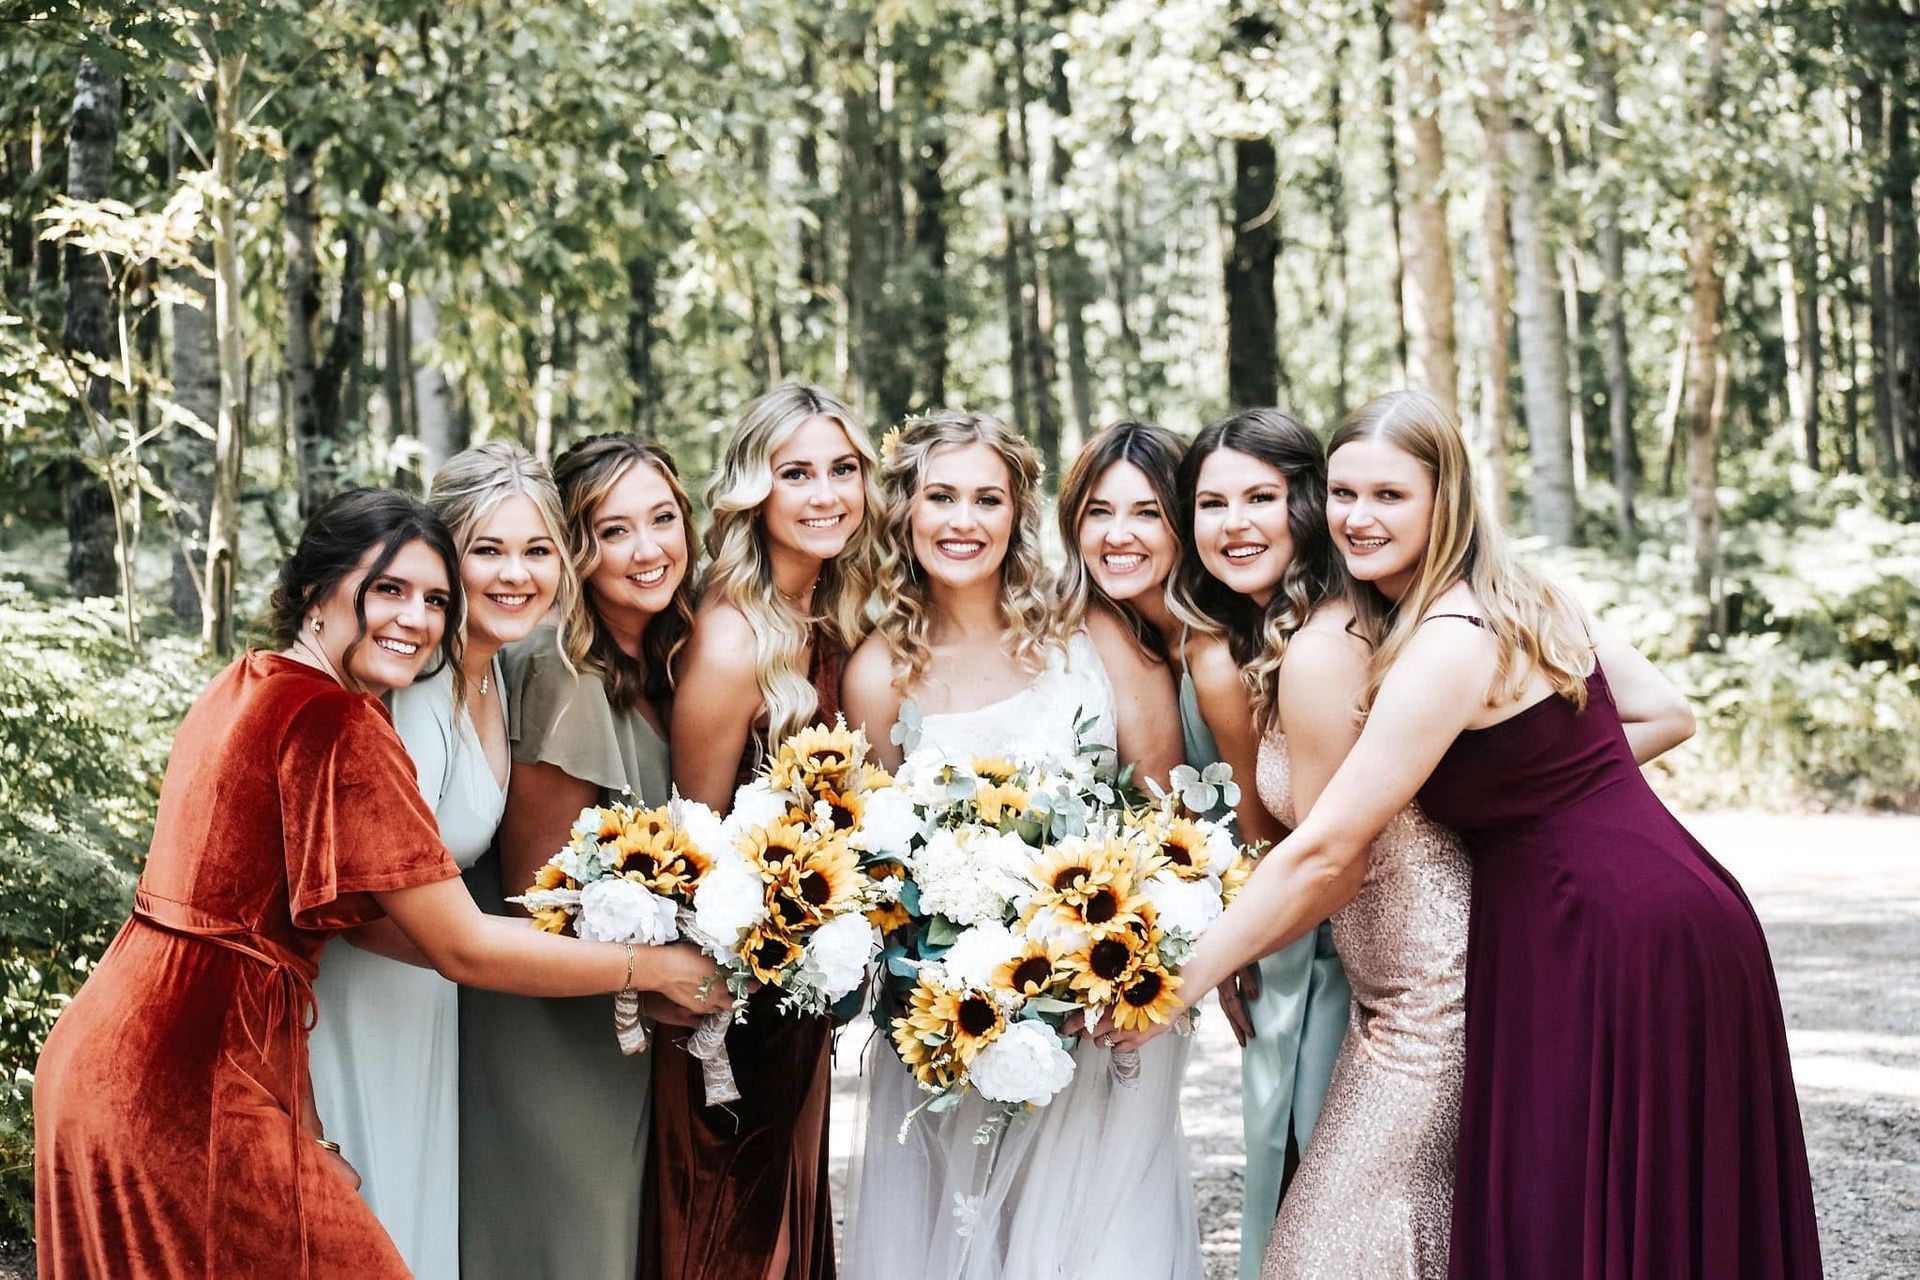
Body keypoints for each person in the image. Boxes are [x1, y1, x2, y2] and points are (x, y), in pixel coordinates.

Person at [1115, 390, 1823, 1278]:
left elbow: (1334, 850)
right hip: (1594, 915)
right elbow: (1656, 715)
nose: (1357, 518)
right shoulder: (1497, 592)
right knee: (1594, 1212)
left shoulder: (1444, 634)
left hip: (1608, 928)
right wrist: (1506, 799)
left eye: (1389, 496)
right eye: (1345, 494)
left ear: (1445, 499)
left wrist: (1177, 983)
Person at [33, 488, 726, 1279]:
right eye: (386, 589)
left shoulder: (247, 683)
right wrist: (654, 966)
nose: (415, 619)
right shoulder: (341, 725)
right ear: (312, 591)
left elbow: (342, 926)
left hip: (110, 1056)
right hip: (183, 1079)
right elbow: (458, 946)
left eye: (434, 599)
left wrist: (309, 1120)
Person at [839, 410, 1194, 1280]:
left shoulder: (1092, 638)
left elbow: (1168, 823)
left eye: (987, 499)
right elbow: (881, 864)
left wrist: (1103, 964)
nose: (963, 521)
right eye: (941, 497)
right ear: (905, 512)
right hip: (953, 1022)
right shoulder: (878, 673)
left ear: (1018, 512)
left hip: (1097, 1005)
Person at [1059, 418, 1352, 1279]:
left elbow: (1267, 842)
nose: (1120, 536)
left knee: (1292, 1146)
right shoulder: (1134, 633)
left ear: (1179, 529)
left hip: (1298, 943)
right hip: (1259, 924)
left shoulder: (1210, 654)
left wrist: (1227, 959)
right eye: (1098, 513)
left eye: (1148, 513)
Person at [1177, 409, 1466, 1277]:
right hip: (1387, 986)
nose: (1236, 525)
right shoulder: (1280, 638)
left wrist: (1188, 968)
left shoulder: (1328, 642)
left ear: (1307, 505)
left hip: (1431, 989)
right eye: (1212, 503)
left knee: (1327, 1249)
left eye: (1262, 497)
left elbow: (1332, 860)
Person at [306, 445, 571, 1278]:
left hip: (429, 1006)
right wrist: (594, 962)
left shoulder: (496, 675)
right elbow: (372, 912)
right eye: (487, 550)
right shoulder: (410, 689)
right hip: (358, 1000)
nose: (515, 574)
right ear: (444, 555)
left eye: (537, 550)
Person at [645, 383, 880, 1280]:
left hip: (799, 990)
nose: (826, 494)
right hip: (730, 1013)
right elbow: (692, 850)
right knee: (738, 1236)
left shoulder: (833, 614)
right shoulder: (734, 638)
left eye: (843, 470)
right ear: (756, 490)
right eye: (797, 474)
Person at [459, 438, 704, 1279]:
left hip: (616, 1010)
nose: (648, 550)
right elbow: (539, 897)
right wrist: (664, 971)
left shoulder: (665, 657)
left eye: (663, 520)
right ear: (574, 548)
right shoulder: (564, 673)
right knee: (571, 1241)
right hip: (546, 1027)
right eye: (614, 530)